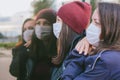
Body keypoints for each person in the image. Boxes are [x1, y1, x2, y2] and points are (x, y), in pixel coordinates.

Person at [61, 2, 120, 80]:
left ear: (111, 28)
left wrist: (80, 52)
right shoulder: (110, 54)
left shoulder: (105, 61)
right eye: (92, 21)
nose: (90, 27)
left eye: (96, 22)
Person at [51, 1, 91, 80]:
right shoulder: (67, 49)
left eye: (58, 20)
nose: (55, 24)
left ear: (69, 26)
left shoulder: (80, 52)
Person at [28, 8, 57, 80]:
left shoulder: (60, 50)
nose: (41, 27)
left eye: (46, 23)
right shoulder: (32, 48)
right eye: (38, 23)